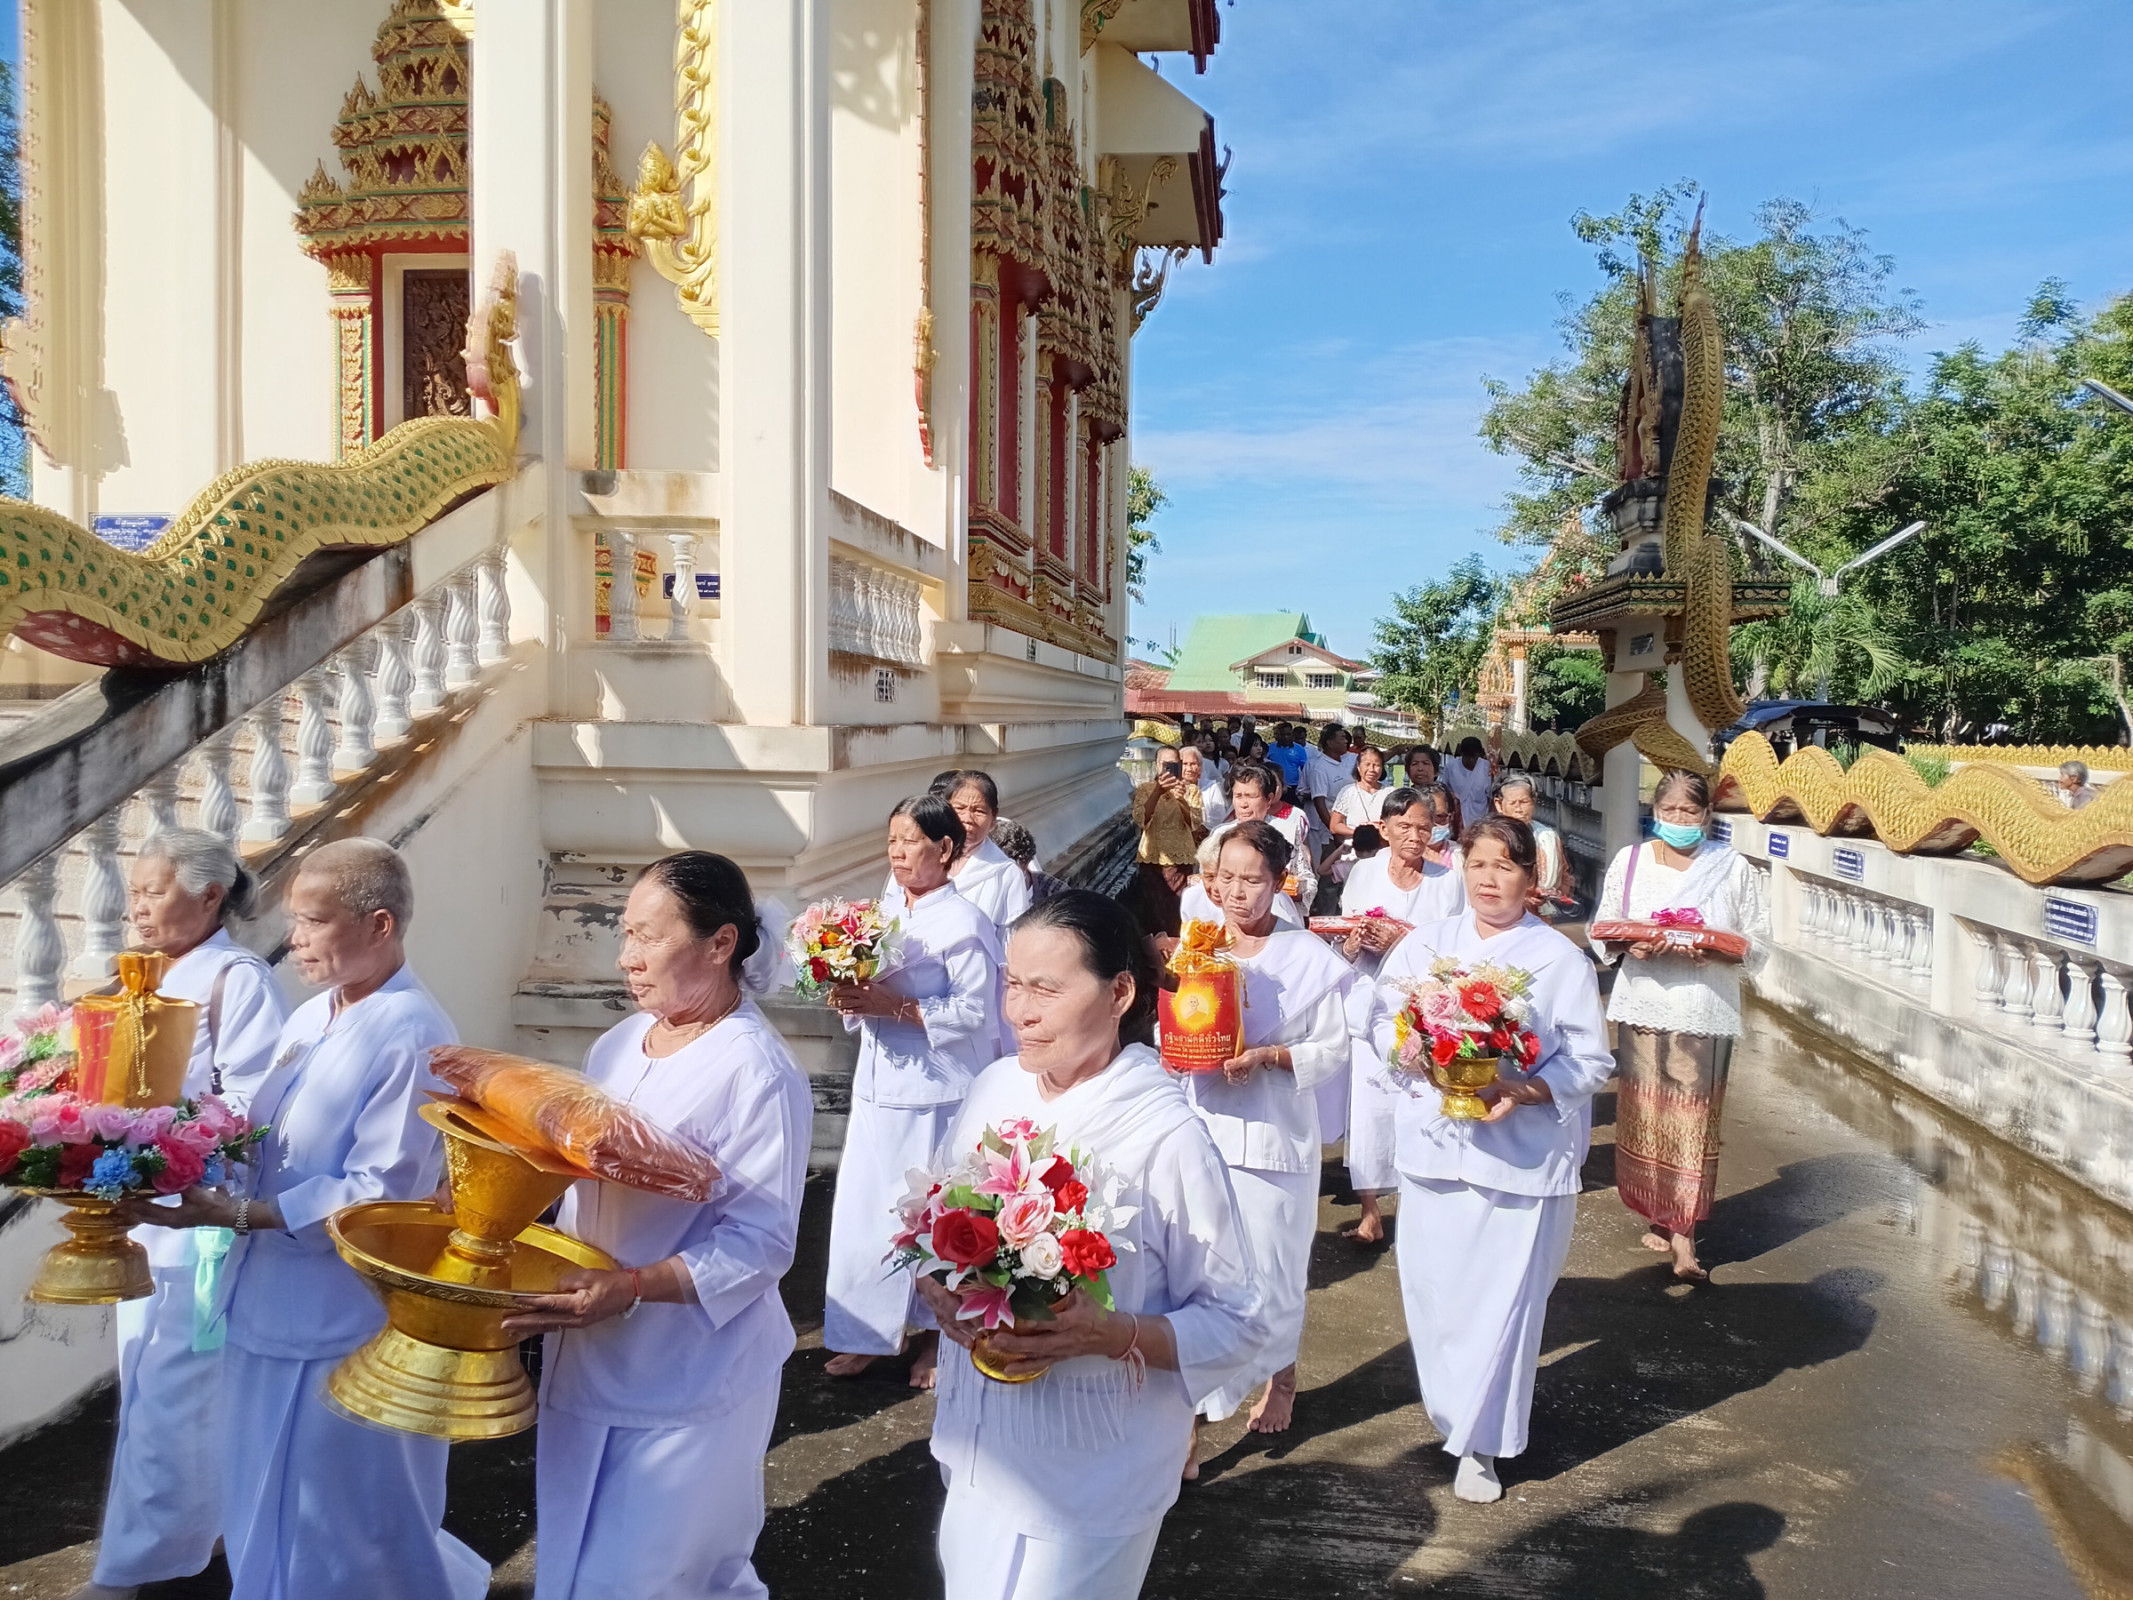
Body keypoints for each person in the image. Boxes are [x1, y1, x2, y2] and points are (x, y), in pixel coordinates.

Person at [120, 838, 484, 1600]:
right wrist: (178, 1161)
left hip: (344, 1320)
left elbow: (379, 1187)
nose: (296, 940)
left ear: (379, 925)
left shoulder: (412, 1032)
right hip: (265, 1307)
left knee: (350, 1529)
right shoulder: (314, 1013)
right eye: (294, 920)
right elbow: (262, 1136)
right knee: (260, 1509)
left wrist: (247, 1213)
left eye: (316, 922)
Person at [920, 892, 1269, 1597]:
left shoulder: (1165, 1135)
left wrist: (1113, 1333)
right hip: (980, 1445)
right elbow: (932, 1233)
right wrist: (937, 1292)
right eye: (1012, 984)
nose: (1020, 1010)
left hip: (1095, 1463)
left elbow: (1239, 1320)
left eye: (1046, 988)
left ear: (1119, 993)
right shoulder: (993, 1089)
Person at [500, 853, 811, 1600]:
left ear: (719, 943)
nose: (626, 957)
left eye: (646, 936)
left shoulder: (755, 1071)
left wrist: (634, 1285)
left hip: (689, 1370)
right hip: (589, 1346)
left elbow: (762, 1242)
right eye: (624, 934)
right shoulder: (617, 1044)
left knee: (657, 1576)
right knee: (573, 1562)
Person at [1372, 816, 1615, 1504]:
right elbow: (1378, 1020)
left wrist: (1526, 1087)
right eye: (1475, 864)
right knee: (1435, 1299)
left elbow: (1590, 1059)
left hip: (1519, 1159)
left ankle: (1482, 1444)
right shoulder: (1428, 946)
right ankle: (1452, 1419)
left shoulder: (1557, 959)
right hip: (1435, 1149)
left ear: (1530, 881)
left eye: (1503, 866)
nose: (1487, 879)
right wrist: (1411, 1052)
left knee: (1501, 1307)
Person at [77, 832, 289, 1600]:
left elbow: (253, 1103)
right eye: (133, 890)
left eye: (152, 890)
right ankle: (181, 1547)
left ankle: (134, 1569)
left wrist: (162, 1130)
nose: (136, 905)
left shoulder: (236, 978)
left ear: (208, 897)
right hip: (143, 1209)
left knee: (175, 1388)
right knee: (150, 1382)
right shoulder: (139, 978)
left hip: (200, 1219)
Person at [824, 796, 1003, 1384]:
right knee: (864, 1214)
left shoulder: (965, 923)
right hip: (879, 1084)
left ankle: (936, 1337)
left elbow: (976, 1012)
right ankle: (869, 1333)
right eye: (892, 839)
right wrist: (845, 986)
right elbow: (867, 985)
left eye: (910, 840)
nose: (897, 851)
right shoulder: (883, 907)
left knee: (930, 1216)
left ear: (945, 849)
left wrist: (895, 1006)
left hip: (936, 1092)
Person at [1185, 822, 1353, 1440]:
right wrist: (1181, 1051)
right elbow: (1171, 1028)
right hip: (1204, 1128)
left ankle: (1281, 1377)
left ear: (1279, 882)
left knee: (1275, 1269)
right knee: (1202, 1272)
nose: (1235, 892)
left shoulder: (1307, 957)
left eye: (1251, 880)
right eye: (1225, 878)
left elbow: (1331, 1051)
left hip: (1275, 1134)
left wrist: (1265, 1057)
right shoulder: (1198, 947)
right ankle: (1194, 1421)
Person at [1591, 770, 1769, 1282]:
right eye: (1669, 813)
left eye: (1690, 814)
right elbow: (1605, 925)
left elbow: (1758, 939)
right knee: (1647, 1112)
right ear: (1655, 812)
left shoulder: (1730, 867)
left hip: (1702, 1003)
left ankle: (1685, 1236)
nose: (1679, 822)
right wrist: (1632, 944)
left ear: (1707, 816)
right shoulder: (1630, 862)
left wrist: (1714, 948)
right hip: (1644, 1000)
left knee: (1691, 1114)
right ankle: (1656, 1211)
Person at [1333, 788, 1467, 1248]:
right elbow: (1343, 932)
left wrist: (1400, 945)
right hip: (1371, 1002)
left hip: (1425, 1007)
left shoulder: (1447, 881)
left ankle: (1416, 1204)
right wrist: (1353, 946)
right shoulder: (1364, 873)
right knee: (1370, 1109)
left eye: (1424, 828)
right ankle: (1371, 1211)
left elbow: (1454, 954)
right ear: (1385, 829)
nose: (1414, 836)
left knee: (1420, 1106)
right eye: (1404, 827)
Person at [936, 770, 1036, 933]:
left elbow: (1012, 938)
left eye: (979, 811)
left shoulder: (1006, 874)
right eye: (959, 808)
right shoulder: (919, 858)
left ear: (993, 819)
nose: (967, 818)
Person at [1129, 748, 1207, 942]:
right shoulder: (1145, 790)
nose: (1169, 770)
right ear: (1157, 766)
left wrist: (1181, 798)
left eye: (1174, 764)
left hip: (1179, 860)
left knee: (1176, 911)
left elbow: (1195, 823)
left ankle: (1175, 957)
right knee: (1150, 913)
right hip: (1151, 858)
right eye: (1166, 765)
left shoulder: (1191, 790)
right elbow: (1141, 819)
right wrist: (1158, 791)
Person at [1491, 773, 1567, 911]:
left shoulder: (1547, 836)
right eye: (1513, 803)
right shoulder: (1491, 838)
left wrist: (1555, 892)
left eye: (1524, 802)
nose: (1519, 809)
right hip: (1503, 911)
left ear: (1534, 801)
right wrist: (1523, 896)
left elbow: (1564, 875)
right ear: (1499, 804)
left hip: (1541, 913)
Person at [1326, 745, 1393, 882]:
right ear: (1358, 766)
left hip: (1382, 852)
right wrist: (1360, 831)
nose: (1372, 769)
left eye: (1377, 765)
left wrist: (1379, 830)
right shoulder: (1348, 792)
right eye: (1367, 764)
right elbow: (1335, 825)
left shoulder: (1390, 793)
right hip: (1355, 852)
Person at [1443, 736, 1493, 831]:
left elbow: (1492, 799)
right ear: (1461, 754)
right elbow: (1444, 791)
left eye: (1474, 757)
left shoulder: (1488, 769)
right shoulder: (1451, 767)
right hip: (1456, 820)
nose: (1471, 760)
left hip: (1480, 821)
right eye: (1468, 756)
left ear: (1480, 755)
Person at [1184, 744, 1230, 828]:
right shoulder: (1173, 789)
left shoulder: (1211, 788)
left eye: (1193, 764)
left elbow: (1218, 819)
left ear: (1200, 767)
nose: (1189, 768)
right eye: (1185, 764)